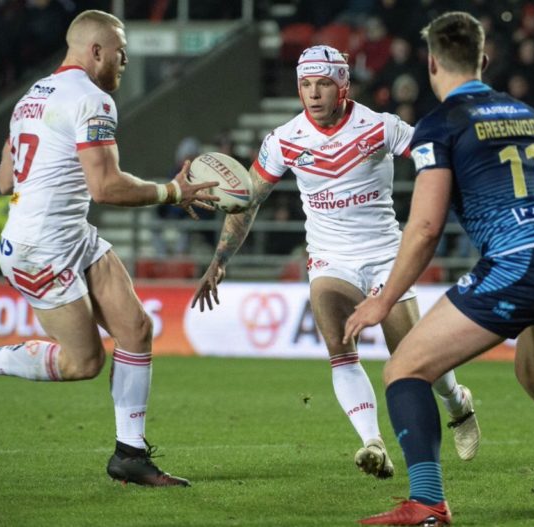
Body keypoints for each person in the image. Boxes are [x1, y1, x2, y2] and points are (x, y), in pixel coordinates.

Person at [343, 12, 534, 525]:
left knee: (404, 369)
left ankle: (427, 503)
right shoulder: (530, 115)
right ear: (484, 61)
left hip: (521, 263)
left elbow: (425, 228)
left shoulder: (441, 124)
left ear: (431, 63)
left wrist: (383, 300)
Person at [0, 10, 218, 488]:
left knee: (136, 328)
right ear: (97, 51)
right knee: (83, 363)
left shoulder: (31, 96)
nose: (125, 61)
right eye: (121, 52)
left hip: (69, 233)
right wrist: (172, 192)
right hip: (41, 248)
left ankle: (130, 455)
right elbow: (105, 187)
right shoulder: (92, 99)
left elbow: (5, 180)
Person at [191, 44, 481, 479]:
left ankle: (458, 403)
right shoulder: (283, 140)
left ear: (342, 86)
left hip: (386, 257)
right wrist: (219, 260)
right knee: (338, 347)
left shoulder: (380, 127)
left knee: (414, 359)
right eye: (305, 84)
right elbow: (248, 200)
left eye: (323, 83)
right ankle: (373, 443)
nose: (313, 93)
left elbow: (436, 158)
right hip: (331, 260)